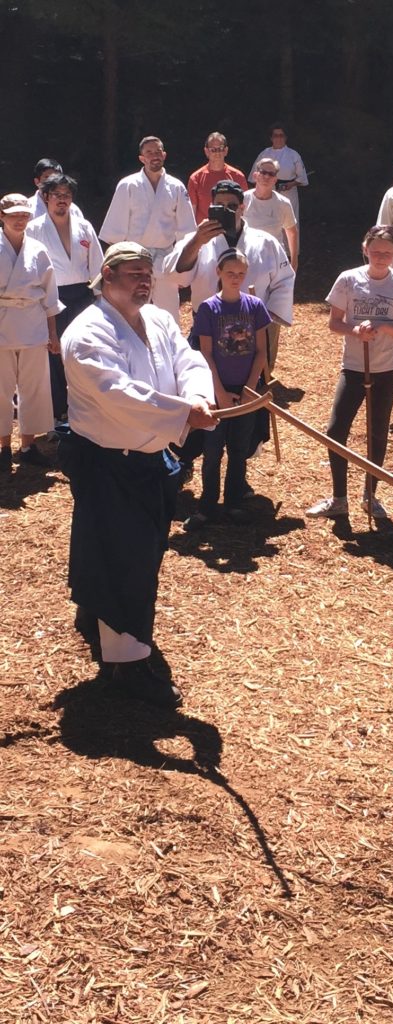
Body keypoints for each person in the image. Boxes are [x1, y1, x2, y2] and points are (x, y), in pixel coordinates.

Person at [59, 242, 216, 708]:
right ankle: (126, 664)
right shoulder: (87, 333)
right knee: (125, 555)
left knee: (126, 546)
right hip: (108, 460)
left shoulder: (160, 320)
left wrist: (198, 397)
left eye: (148, 272)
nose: (144, 280)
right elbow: (118, 395)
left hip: (149, 457)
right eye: (132, 273)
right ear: (107, 276)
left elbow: (188, 363)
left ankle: (95, 608)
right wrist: (183, 414)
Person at [306, 225, 393, 520]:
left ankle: (370, 495)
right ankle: (339, 498)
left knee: (376, 431)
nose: (381, 257)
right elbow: (334, 323)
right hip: (355, 366)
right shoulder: (349, 280)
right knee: (336, 430)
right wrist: (355, 329)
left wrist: (382, 326)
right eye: (376, 251)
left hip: (388, 367)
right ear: (365, 249)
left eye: (387, 252)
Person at [165, 180, 294, 371]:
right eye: (219, 206)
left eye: (232, 206)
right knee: (206, 379)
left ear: (243, 207)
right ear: (211, 207)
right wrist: (197, 241)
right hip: (208, 323)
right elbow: (177, 276)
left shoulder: (266, 242)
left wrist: (267, 318)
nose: (226, 211)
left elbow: (284, 280)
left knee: (252, 379)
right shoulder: (197, 239)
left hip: (252, 325)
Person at [184, 249, 270, 531]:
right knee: (212, 449)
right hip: (216, 391)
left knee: (239, 448)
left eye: (241, 274)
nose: (236, 279)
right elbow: (205, 354)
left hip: (246, 391)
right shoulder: (209, 308)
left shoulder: (255, 306)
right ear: (219, 273)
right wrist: (218, 391)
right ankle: (207, 506)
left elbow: (260, 351)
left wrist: (249, 389)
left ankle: (233, 502)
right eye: (230, 273)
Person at [28, 174, 103, 430]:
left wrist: (101, 301)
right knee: (54, 353)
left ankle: (87, 409)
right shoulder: (34, 228)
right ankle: (58, 413)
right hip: (51, 297)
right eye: (57, 195)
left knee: (85, 351)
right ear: (46, 197)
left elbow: (97, 267)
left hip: (83, 296)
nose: (62, 200)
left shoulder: (84, 226)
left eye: (67, 196)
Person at [99, 136, 196, 322]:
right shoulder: (127, 185)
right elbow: (115, 231)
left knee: (168, 316)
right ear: (142, 158)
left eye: (158, 152)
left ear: (164, 155)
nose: (154, 156)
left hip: (165, 259)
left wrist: (181, 263)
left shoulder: (176, 187)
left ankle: (168, 349)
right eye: (149, 152)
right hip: (134, 258)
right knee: (131, 310)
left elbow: (187, 231)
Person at [0, 194, 61, 472]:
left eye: (24, 214)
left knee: (34, 387)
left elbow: (50, 295)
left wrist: (53, 333)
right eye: (14, 214)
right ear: (2, 216)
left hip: (33, 323)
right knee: (1, 388)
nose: (20, 219)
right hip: (2, 322)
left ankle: (28, 445)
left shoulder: (37, 249)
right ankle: (3, 446)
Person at [248, 124, 308, 245]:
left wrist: (291, 184)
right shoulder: (264, 154)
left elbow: (302, 177)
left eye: (281, 135)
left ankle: (289, 256)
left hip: (288, 194)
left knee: (289, 223)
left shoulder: (293, 155)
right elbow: (255, 176)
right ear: (271, 138)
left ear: (285, 137)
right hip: (267, 194)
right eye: (275, 135)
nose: (278, 138)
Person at [243, 157, 298, 270]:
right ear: (255, 175)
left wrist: (294, 263)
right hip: (247, 260)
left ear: (275, 179)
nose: (267, 177)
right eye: (263, 172)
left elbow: (292, 232)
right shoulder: (243, 200)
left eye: (271, 174)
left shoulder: (283, 203)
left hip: (275, 261)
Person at [187, 132, 248, 224]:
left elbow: (245, 209)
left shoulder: (238, 176)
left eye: (220, 149)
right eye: (213, 150)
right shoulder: (195, 178)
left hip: (232, 231)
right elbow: (191, 213)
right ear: (206, 152)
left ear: (226, 151)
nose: (217, 153)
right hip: (206, 233)